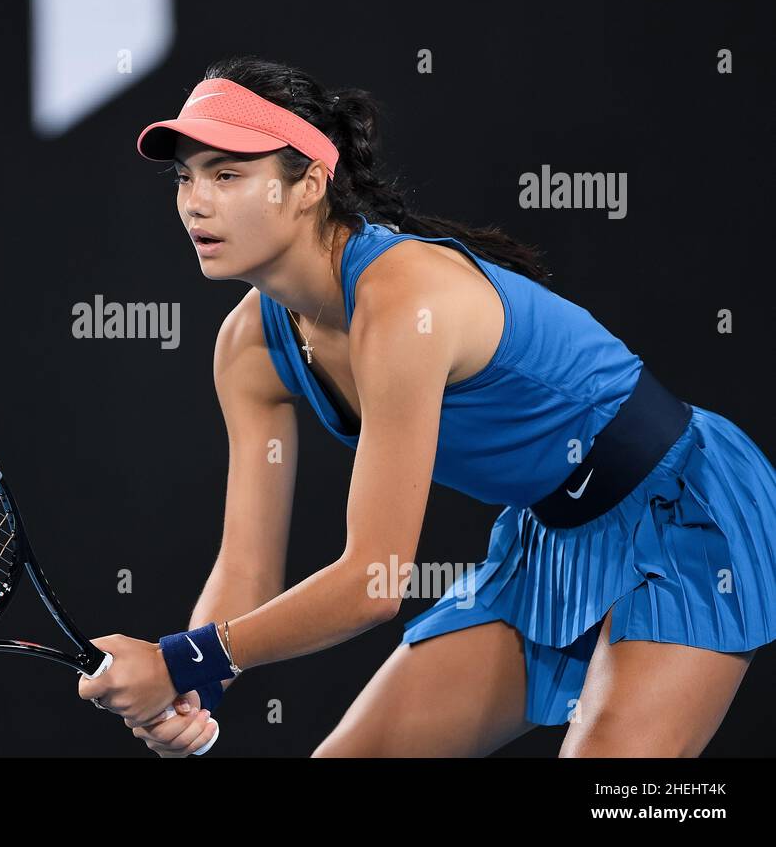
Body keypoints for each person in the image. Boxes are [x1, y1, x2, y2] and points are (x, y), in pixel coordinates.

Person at [75, 54, 776, 757]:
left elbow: (372, 583)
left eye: (227, 174)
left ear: (310, 182)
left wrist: (181, 659)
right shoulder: (248, 348)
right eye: (185, 177)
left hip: (686, 516)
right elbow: (248, 568)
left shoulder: (404, 298)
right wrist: (195, 686)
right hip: (549, 541)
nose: (196, 201)